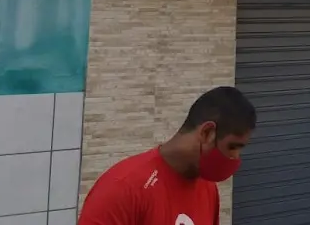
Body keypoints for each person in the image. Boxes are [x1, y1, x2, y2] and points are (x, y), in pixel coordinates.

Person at [78, 86, 256, 225]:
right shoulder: (123, 189)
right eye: (232, 147)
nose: (235, 157)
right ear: (207, 133)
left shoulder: (208, 189)